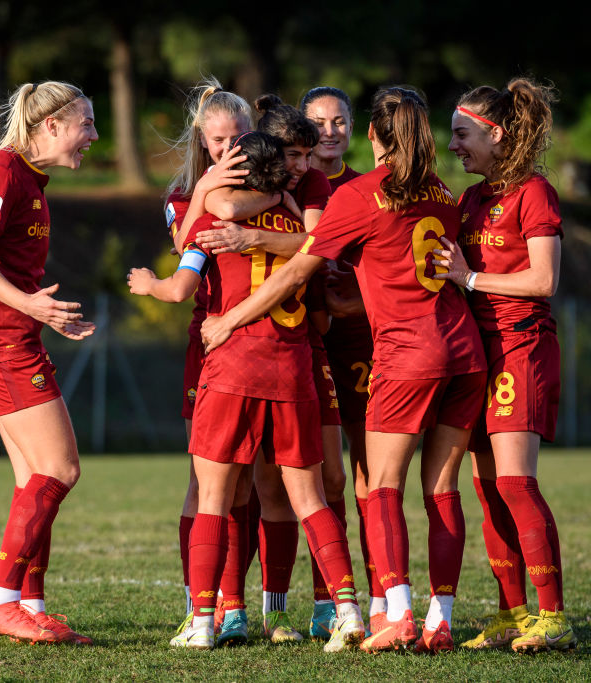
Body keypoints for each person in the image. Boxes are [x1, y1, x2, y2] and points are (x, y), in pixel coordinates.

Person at [200, 87, 488, 654]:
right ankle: (441, 620)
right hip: (466, 353)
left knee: (379, 487)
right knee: (444, 491)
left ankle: (397, 614)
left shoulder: (358, 194)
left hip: (408, 356)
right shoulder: (444, 193)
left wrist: (228, 320)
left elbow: (292, 274)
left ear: (372, 136)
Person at [130, 131, 366, 652]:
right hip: (293, 370)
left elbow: (179, 290)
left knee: (214, 497)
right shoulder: (301, 228)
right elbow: (322, 271)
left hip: (233, 367)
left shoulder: (215, 221)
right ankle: (348, 611)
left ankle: (206, 621)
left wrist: (147, 283)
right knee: (311, 498)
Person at [191, 94, 349, 646]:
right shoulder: (229, 190)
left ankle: (238, 615)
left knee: (283, 489)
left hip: (258, 352)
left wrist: (238, 222)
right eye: (295, 153)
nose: (305, 163)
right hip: (277, 359)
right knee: (254, 491)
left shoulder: (302, 190)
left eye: (310, 153)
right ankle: (237, 611)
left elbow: (316, 251)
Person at [436, 77, 574, 653]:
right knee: (488, 486)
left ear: (496, 134)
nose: (454, 146)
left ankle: (554, 616)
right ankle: (511, 613)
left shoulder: (534, 192)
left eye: (462, 134)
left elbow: (543, 281)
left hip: (522, 345)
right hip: (480, 353)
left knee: (516, 482)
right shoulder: (471, 199)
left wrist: (468, 277)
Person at [0, 81, 97, 646]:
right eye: (86, 123)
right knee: (59, 470)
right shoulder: (1, 173)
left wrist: (45, 314)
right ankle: (0, 602)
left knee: (32, 480)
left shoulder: (31, 180)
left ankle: (29, 604)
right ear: (53, 126)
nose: (92, 135)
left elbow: (10, 271)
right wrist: (30, 304)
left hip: (14, 337)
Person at [161, 78, 252, 638]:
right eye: (217, 141)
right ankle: (200, 597)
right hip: (214, 342)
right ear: (202, 140)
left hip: (270, 344)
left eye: (238, 137)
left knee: (248, 483)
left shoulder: (274, 185)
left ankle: (236, 605)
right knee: (207, 479)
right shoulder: (181, 193)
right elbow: (182, 253)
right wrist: (204, 192)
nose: (228, 149)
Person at [299, 85, 385, 633]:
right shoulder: (287, 185)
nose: (330, 131)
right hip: (300, 343)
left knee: (368, 477)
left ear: (353, 128)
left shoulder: (370, 188)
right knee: (312, 481)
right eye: (319, 123)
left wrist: (353, 302)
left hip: (360, 343)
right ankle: (325, 601)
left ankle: (383, 597)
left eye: (339, 122)